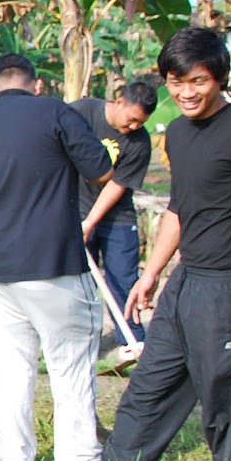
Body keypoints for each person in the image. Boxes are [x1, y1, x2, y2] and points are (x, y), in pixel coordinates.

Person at [46, 27, 231, 461]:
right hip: (186, 283)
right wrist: (152, 272)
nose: (185, 93)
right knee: (148, 387)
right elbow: (180, 207)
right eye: (175, 82)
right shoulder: (176, 133)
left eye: (196, 81)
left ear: (219, 78)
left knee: (225, 405)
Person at [0, 54, 113, 461]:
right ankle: (79, 458)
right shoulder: (53, 109)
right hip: (52, 265)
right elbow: (101, 170)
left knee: (12, 368)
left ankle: (12, 458)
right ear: (36, 84)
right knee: (70, 361)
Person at [71, 80, 158, 343]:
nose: (134, 127)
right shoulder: (81, 113)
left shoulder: (140, 142)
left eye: (140, 123)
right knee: (78, 284)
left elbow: (118, 185)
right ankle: (82, 341)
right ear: (119, 102)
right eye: (131, 119)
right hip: (74, 209)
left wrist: (90, 223)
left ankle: (132, 341)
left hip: (117, 218)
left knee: (123, 280)